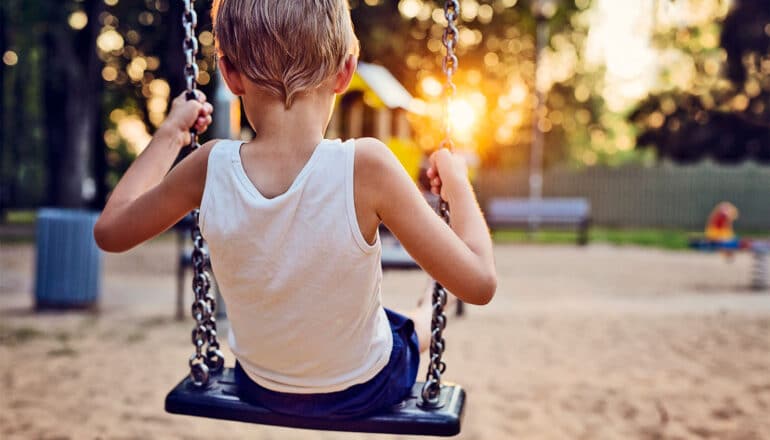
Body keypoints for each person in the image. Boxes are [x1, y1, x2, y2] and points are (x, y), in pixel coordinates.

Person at [94, 0, 495, 419]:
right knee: (406, 332)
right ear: (345, 72)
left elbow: (111, 231)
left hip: (261, 385)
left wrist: (171, 134)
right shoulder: (368, 167)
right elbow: (480, 282)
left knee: (384, 324)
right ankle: (431, 306)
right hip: (365, 386)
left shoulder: (207, 166)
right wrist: (457, 183)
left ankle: (424, 309)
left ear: (230, 74)